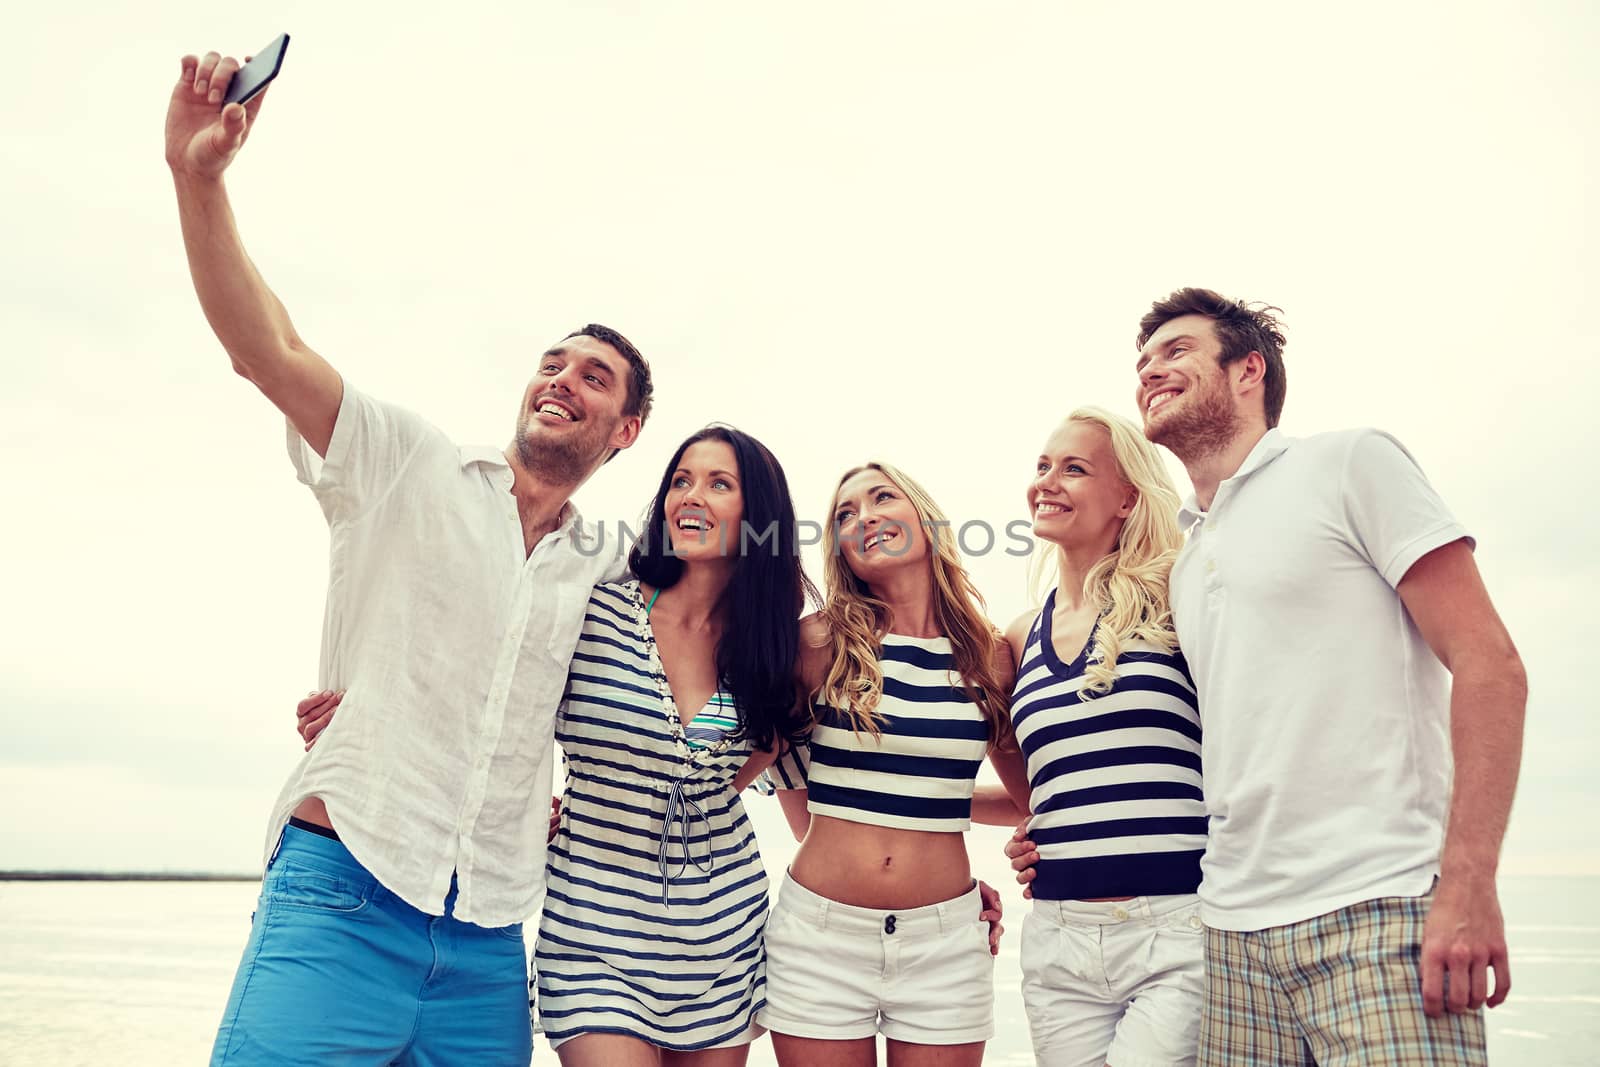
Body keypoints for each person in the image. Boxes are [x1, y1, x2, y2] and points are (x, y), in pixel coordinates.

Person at [167, 50, 651, 1066]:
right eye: (551, 362)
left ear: (629, 427)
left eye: (593, 376)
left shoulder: (607, 565)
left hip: (485, 939)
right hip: (343, 892)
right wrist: (198, 177)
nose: (560, 379)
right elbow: (268, 352)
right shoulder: (408, 462)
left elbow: (704, 654)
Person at [1014, 288, 1526, 1066]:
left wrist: (1469, 879)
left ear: (1248, 369)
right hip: (1229, 937)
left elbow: (1491, 663)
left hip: (1378, 907)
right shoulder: (1185, 564)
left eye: (1176, 350)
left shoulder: (1350, 462)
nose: (1151, 370)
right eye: (1143, 361)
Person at [760, 462, 1032, 1067]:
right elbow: (793, 790)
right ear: (840, 551)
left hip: (946, 942)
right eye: (845, 515)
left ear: (927, 520)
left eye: (882, 497)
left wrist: (923, 810)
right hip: (818, 937)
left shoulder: (990, 657)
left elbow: (1028, 799)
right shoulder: (817, 644)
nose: (865, 517)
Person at [999, 407, 1208, 1066]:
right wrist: (1028, 825)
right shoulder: (1018, 636)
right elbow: (1043, 787)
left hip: (1175, 928)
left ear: (1125, 496)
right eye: (1042, 466)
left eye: (1074, 468)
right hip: (1059, 940)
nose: (1047, 482)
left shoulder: (1181, 597)